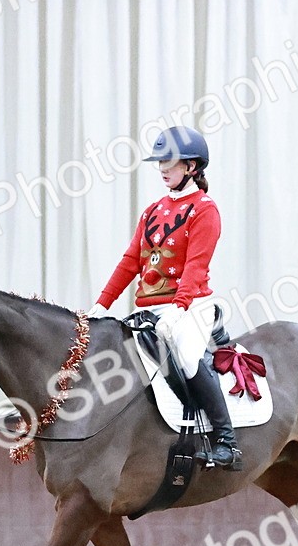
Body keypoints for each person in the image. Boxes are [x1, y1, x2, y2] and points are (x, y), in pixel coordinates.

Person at [86, 126, 242, 470]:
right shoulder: (152, 211)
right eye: (159, 162)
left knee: (186, 357)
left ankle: (226, 441)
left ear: (191, 166)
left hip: (192, 304)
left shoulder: (204, 210)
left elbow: (195, 266)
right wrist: (102, 304)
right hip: (150, 307)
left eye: (168, 162)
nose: (162, 168)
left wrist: (179, 307)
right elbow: (131, 261)